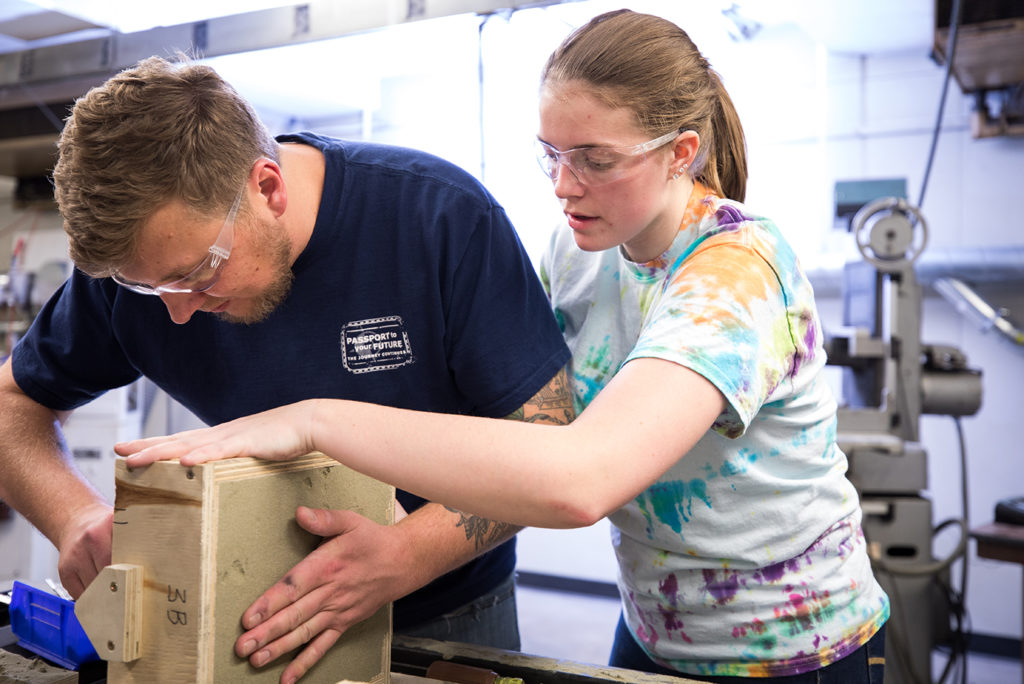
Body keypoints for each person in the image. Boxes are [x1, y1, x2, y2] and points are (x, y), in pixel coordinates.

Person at [120, 10, 892, 683]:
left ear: (681, 151)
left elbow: (580, 478)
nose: (563, 183)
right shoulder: (583, 251)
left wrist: (315, 420)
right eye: (550, 154)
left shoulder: (737, 274)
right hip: (656, 631)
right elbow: (529, 427)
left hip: (796, 649)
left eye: (593, 159)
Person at [0, 56, 574, 683]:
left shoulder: (439, 218)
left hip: (447, 615)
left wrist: (408, 553)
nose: (179, 313)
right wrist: (72, 516)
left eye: (199, 273)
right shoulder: (142, 270)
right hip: (247, 617)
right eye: (146, 289)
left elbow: (547, 436)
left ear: (267, 188)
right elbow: (11, 406)